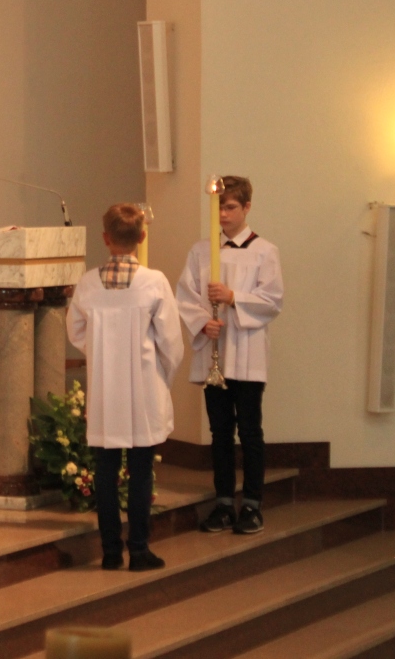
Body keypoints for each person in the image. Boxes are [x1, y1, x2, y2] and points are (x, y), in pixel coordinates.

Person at [67, 204, 183, 571]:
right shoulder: (154, 281)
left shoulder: (88, 283)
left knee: (105, 472)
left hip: (105, 391)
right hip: (143, 389)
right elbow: (171, 343)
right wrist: (162, 376)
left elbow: (75, 331)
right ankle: (140, 549)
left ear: (105, 238)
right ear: (142, 237)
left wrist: (103, 353)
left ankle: (111, 552)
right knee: (140, 470)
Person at [176, 175, 284, 535]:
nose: (223, 214)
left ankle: (252, 504)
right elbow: (185, 296)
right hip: (216, 354)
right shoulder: (201, 251)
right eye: (219, 207)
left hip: (248, 353)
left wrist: (234, 297)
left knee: (250, 431)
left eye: (231, 207)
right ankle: (223, 502)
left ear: (247, 207)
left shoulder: (265, 251)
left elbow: (273, 300)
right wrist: (202, 322)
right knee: (220, 432)